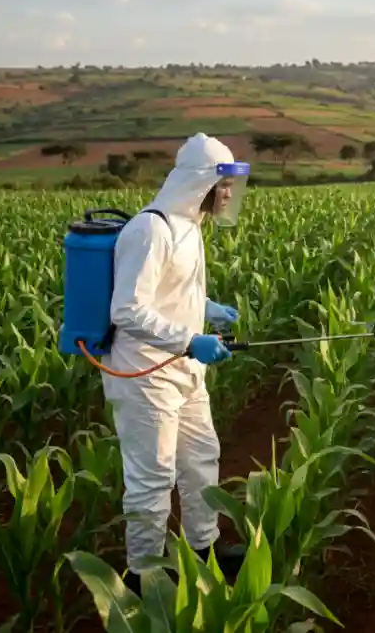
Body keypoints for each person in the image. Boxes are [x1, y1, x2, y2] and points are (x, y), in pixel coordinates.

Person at [102, 132, 251, 594]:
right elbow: (127, 309)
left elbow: (169, 291)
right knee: (153, 480)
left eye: (231, 185)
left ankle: (204, 549)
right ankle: (144, 575)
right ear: (199, 181)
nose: (228, 194)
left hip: (184, 368)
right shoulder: (151, 229)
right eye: (222, 184)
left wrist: (206, 307)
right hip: (145, 375)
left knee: (200, 459)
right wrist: (191, 339)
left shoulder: (188, 225)